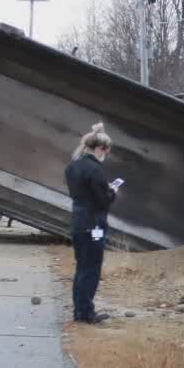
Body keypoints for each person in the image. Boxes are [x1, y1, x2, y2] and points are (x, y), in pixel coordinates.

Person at [66, 122, 124, 323]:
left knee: (82, 267)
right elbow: (103, 200)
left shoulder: (72, 166)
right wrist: (112, 191)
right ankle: (86, 312)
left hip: (78, 222)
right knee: (92, 268)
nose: (106, 154)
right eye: (107, 150)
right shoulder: (95, 169)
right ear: (101, 148)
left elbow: (83, 193)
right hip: (94, 224)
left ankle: (79, 310)